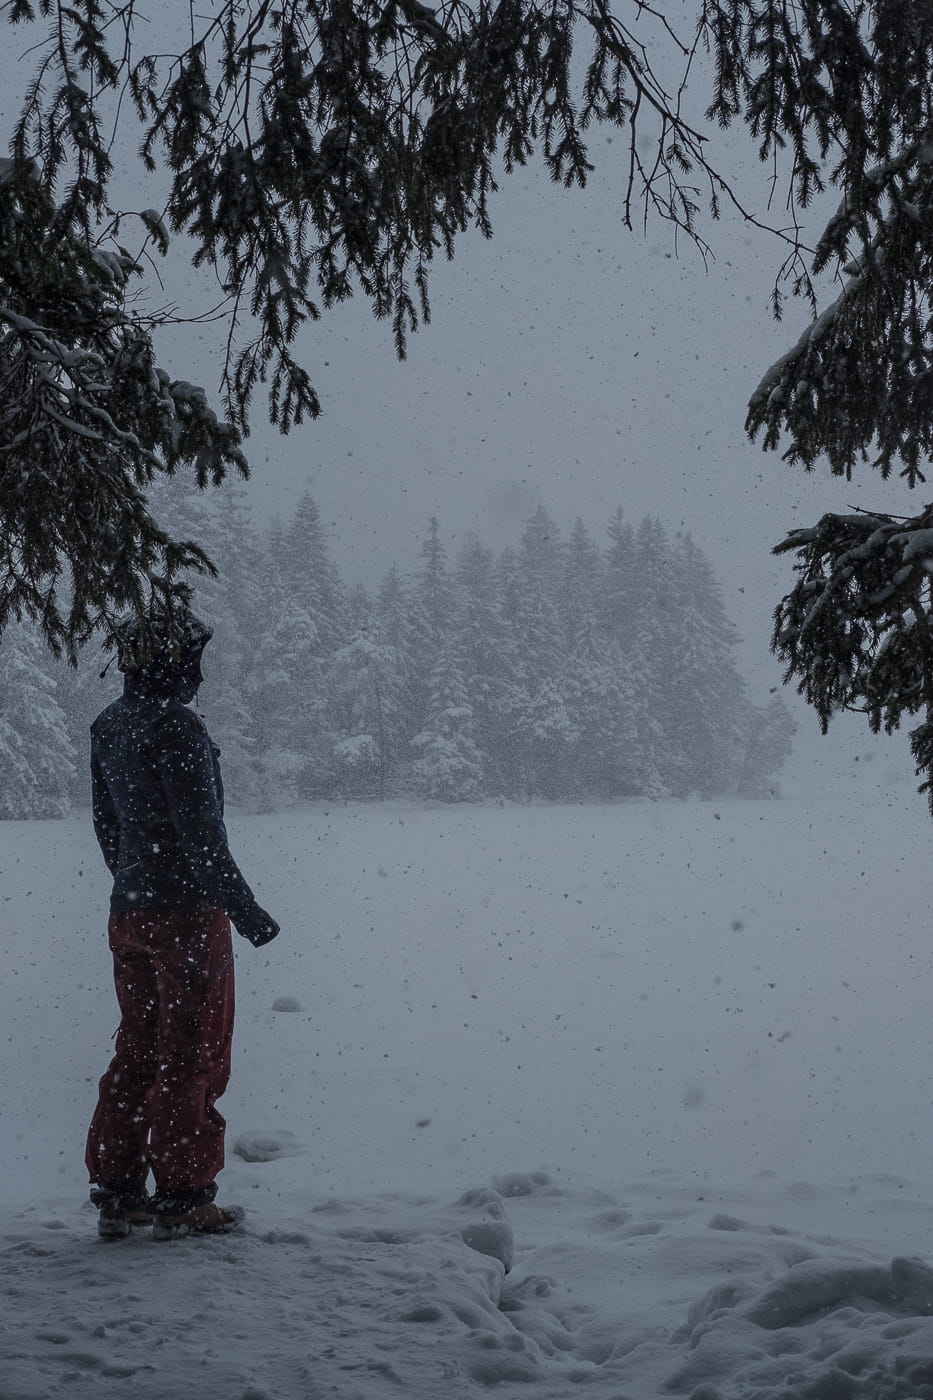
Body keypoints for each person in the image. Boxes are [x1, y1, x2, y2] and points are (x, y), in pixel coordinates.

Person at [85, 606, 280, 1240]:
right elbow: (201, 837)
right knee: (193, 1054)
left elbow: (107, 827)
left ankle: (118, 1189)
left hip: (130, 913)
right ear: (174, 661)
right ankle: (184, 1195)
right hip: (188, 916)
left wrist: (133, 884)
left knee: (138, 1048)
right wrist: (246, 911)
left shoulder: (109, 724)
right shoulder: (180, 730)